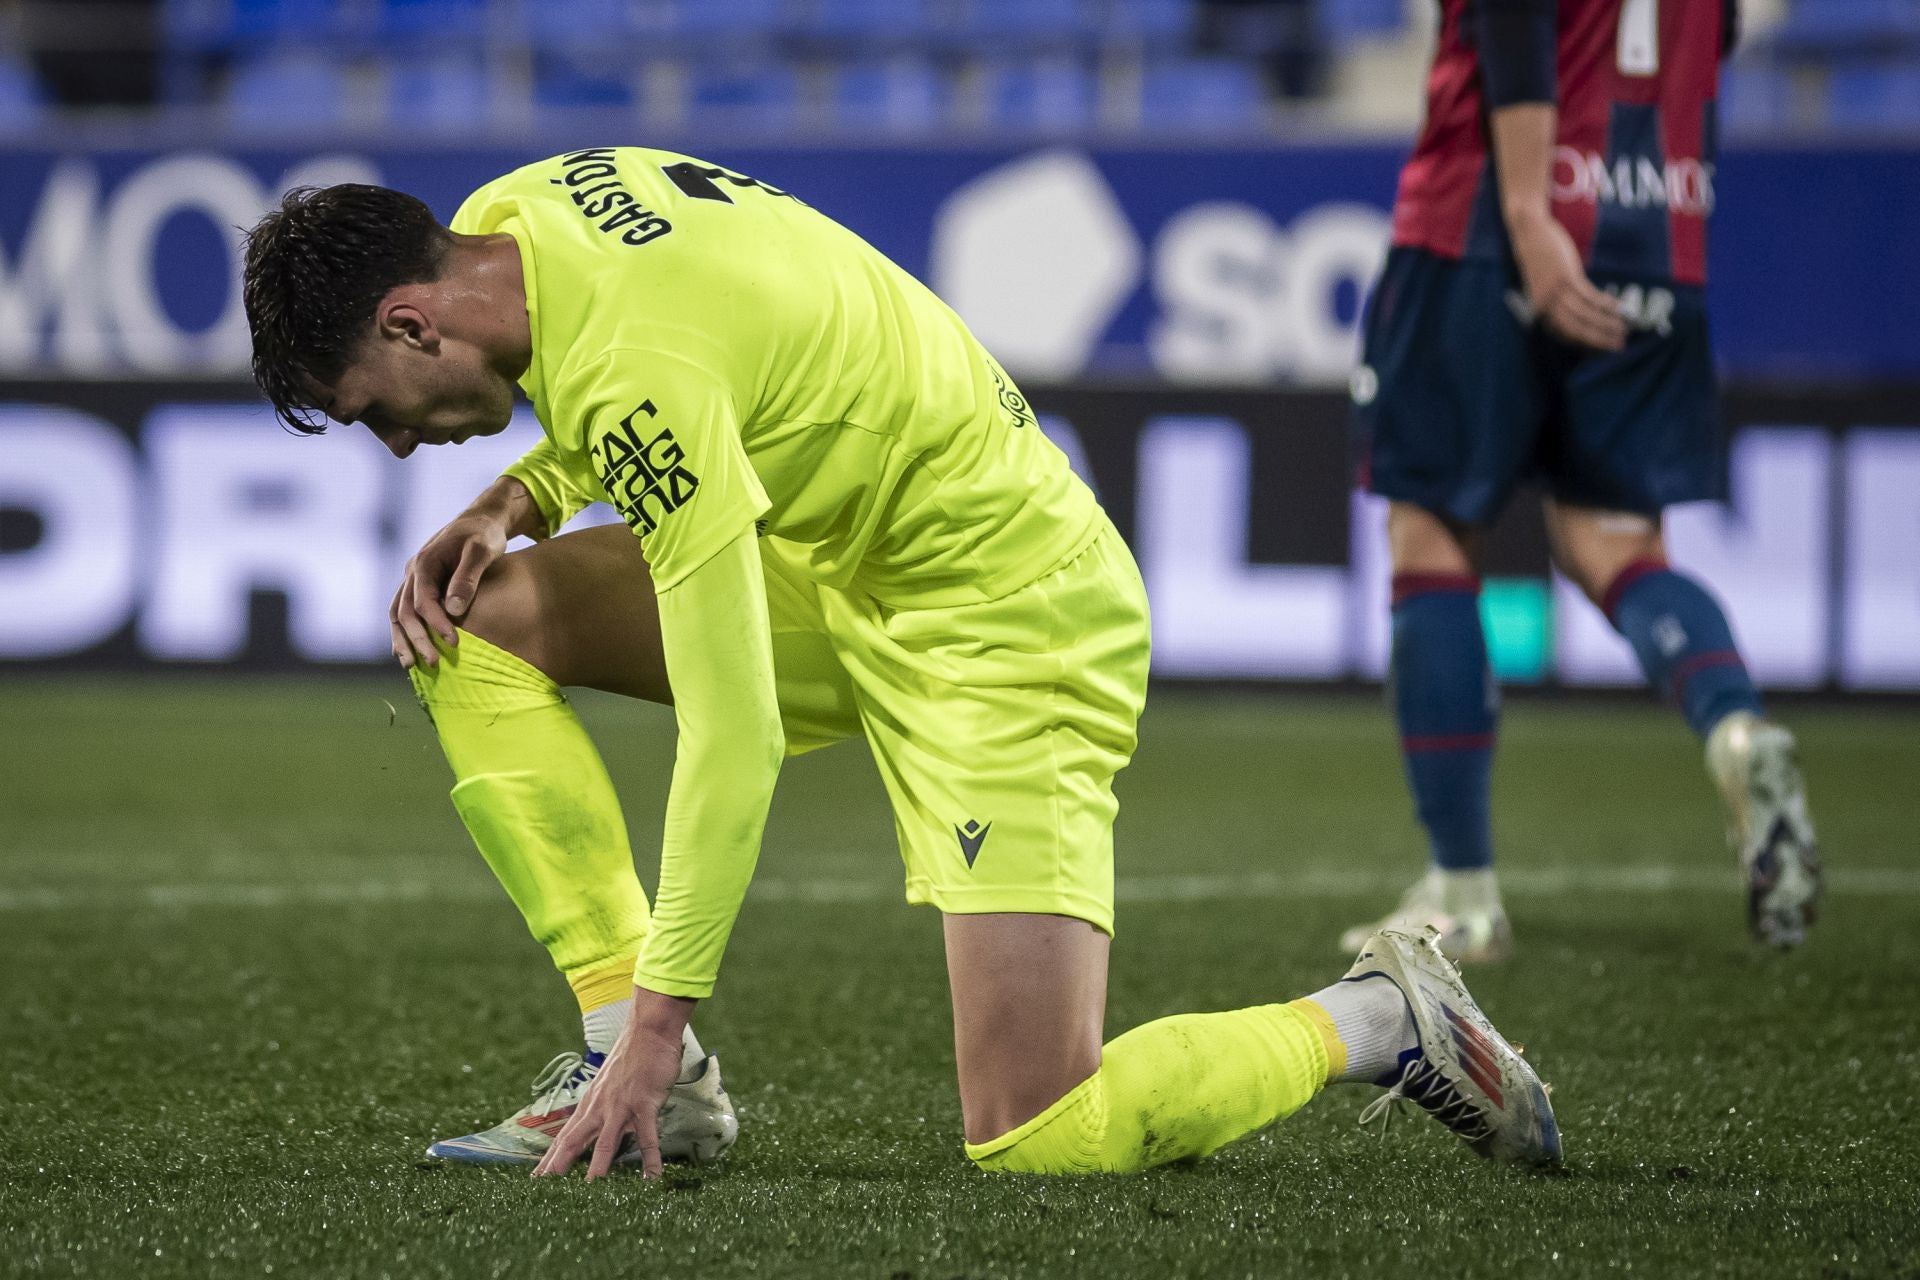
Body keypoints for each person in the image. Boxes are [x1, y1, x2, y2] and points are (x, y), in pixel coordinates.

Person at [241, 151, 1559, 1179]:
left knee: (1045, 1133)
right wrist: (521, 497)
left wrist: (664, 1016)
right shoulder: (523, 210)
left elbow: (733, 733)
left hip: (1010, 617)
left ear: (412, 324)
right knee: (471, 623)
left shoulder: (631, 367)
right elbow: (703, 359)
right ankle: (631, 1067)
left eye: (373, 413)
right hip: (844, 564)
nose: (402, 451)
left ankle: (1379, 1017)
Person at [1347, 0, 1819, 962]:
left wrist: (1528, 208)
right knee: (1615, 542)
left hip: (1488, 222)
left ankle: (1465, 893)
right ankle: (1733, 729)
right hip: (1655, 222)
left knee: (1431, 531)